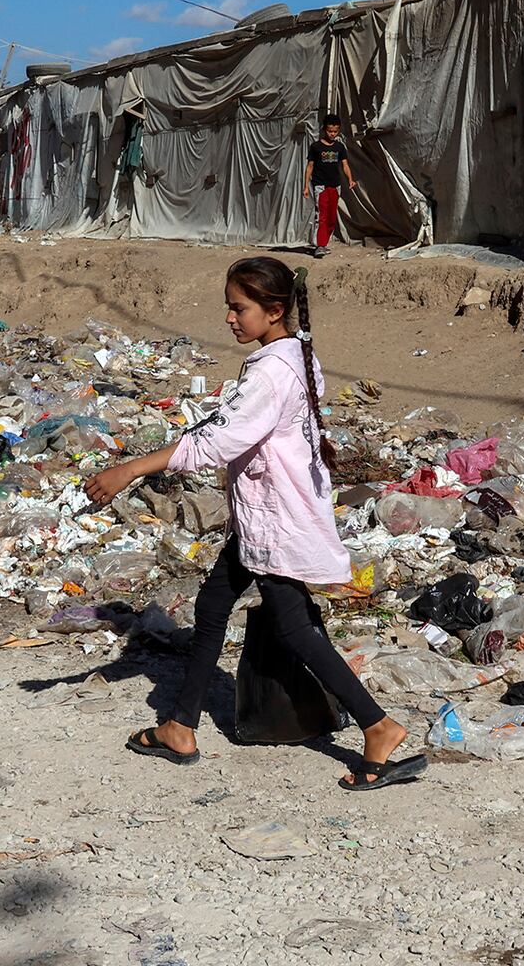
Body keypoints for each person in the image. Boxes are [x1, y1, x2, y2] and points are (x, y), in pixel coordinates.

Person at [85, 256, 426, 792]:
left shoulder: (271, 371)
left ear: (273, 311)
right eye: (227, 306)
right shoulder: (293, 355)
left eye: (238, 307)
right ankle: (180, 726)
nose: (229, 317)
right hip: (262, 514)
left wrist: (131, 468)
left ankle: (378, 727)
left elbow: (221, 439)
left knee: (293, 627)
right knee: (214, 603)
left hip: (275, 519)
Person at [302, 115, 357, 258]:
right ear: (324, 130)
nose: (332, 134)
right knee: (322, 215)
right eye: (330, 131)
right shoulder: (316, 147)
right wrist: (306, 186)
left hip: (335, 185)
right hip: (320, 185)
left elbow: (345, 165)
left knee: (332, 216)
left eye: (335, 131)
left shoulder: (340, 147)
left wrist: (350, 179)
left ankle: (324, 244)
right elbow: (310, 166)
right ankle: (319, 245)